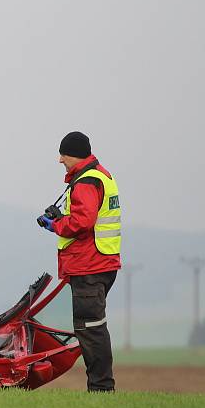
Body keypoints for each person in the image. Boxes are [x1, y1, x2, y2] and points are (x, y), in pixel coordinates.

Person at [37, 131, 121, 391]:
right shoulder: (101, 176)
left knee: (91, 329)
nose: (60, 160)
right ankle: (101, 387)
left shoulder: (86, 181)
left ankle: (101, 389)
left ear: (73, 154)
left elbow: (83, 222)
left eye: (63, 154)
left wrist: (56, 224)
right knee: (93, 328)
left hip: (89, 266)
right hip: (100, 263)